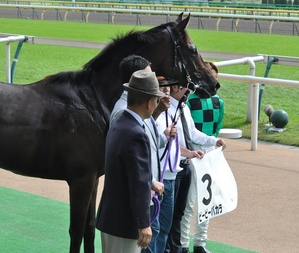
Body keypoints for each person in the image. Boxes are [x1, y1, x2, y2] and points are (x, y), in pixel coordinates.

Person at [96, 70, 166, 253]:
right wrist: (143, 224)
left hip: (111, 218)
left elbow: (127, 170)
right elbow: (138, 182)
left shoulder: (119, 122)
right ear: (150, 102)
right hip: (125, 223)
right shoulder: (136, 133)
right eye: (157, 100)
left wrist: (150, 183)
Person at [164, 84, 226, 253]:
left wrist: (214, 141)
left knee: (178, 213)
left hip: (185, 168)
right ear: (176, 87)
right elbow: (169, 141)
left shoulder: (184, 107)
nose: (189, 91)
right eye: (186, 87)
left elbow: (193, 133)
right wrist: (189, 153)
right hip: (172, 168)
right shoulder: (165, 109)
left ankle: (179, 248)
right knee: (169, 217)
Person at [180, 63, 225, 253]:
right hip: (193, 153)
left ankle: (200, 243)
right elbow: (190, 131)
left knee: (207, 202)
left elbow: (217, 126)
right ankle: (183, 244)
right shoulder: (189, 102)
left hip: (210, 154)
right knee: (189, 203)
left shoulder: (219, 102)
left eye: (213, 77)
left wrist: (214, 143)